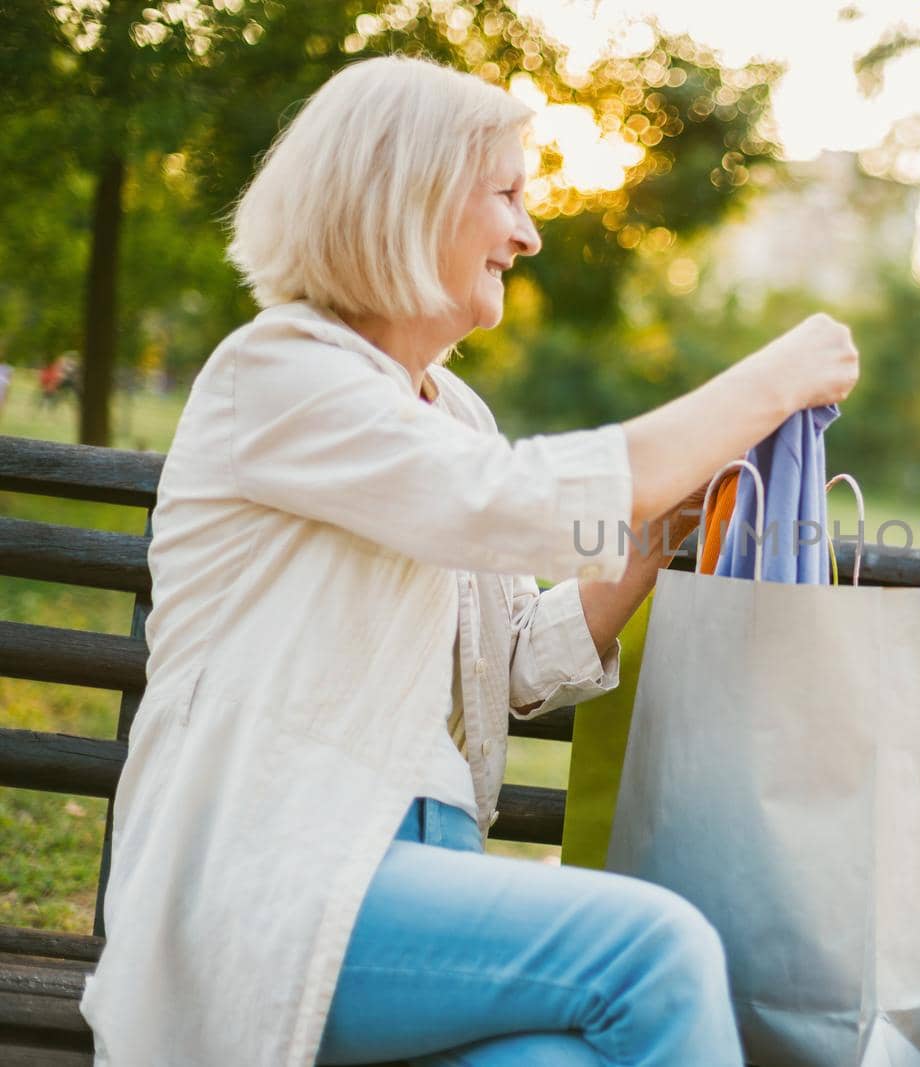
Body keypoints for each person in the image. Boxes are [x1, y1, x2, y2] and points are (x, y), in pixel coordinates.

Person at [79, 55, 859, 1067]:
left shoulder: (452, 413)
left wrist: (658, 533)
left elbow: (516, 653)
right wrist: (768, 379)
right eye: (506, 193)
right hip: (280, 876)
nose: (528, 233)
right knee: (657, 949)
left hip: (421, 872)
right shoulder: (278, 377)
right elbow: (514, 501)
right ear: (409, 196)